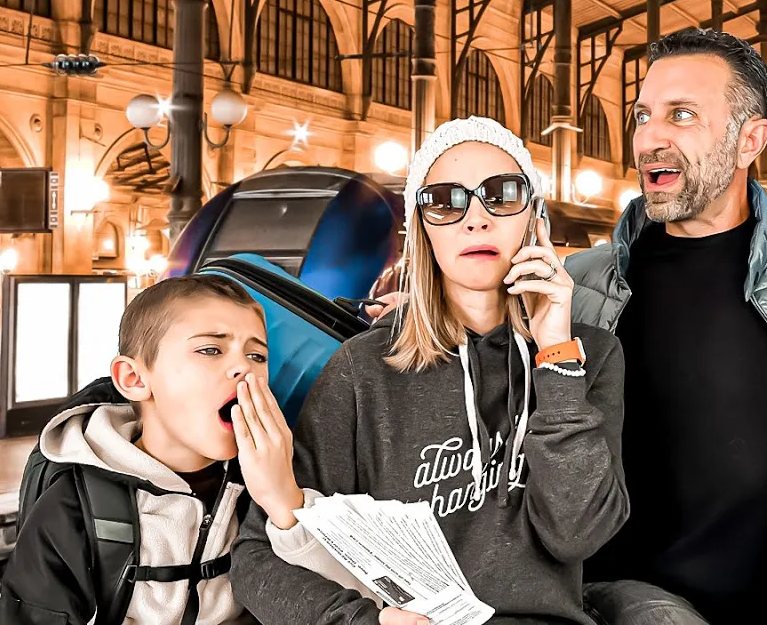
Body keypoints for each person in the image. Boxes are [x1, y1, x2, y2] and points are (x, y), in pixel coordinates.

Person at [230, 116, 628, 625]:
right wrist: (361, 623)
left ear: (534, 219)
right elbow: (255, 558)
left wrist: (555, 354)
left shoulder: (590, 356)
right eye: (445, 200)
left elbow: (578, 534)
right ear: (422, 229)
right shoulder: (363, 370)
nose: (476, 219)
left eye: (502, 194)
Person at [563, 28, 767, 623]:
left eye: (682, 115)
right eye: (642, 116)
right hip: (628, 605)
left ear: (749, 139)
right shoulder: (576, 287)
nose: (651, 138)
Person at [0, 275, 305, 624]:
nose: (244, 369)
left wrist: (285, 504)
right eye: (210, 349)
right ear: (134, 378)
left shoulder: (267, 481)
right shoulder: (75, 501)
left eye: (257, 355)